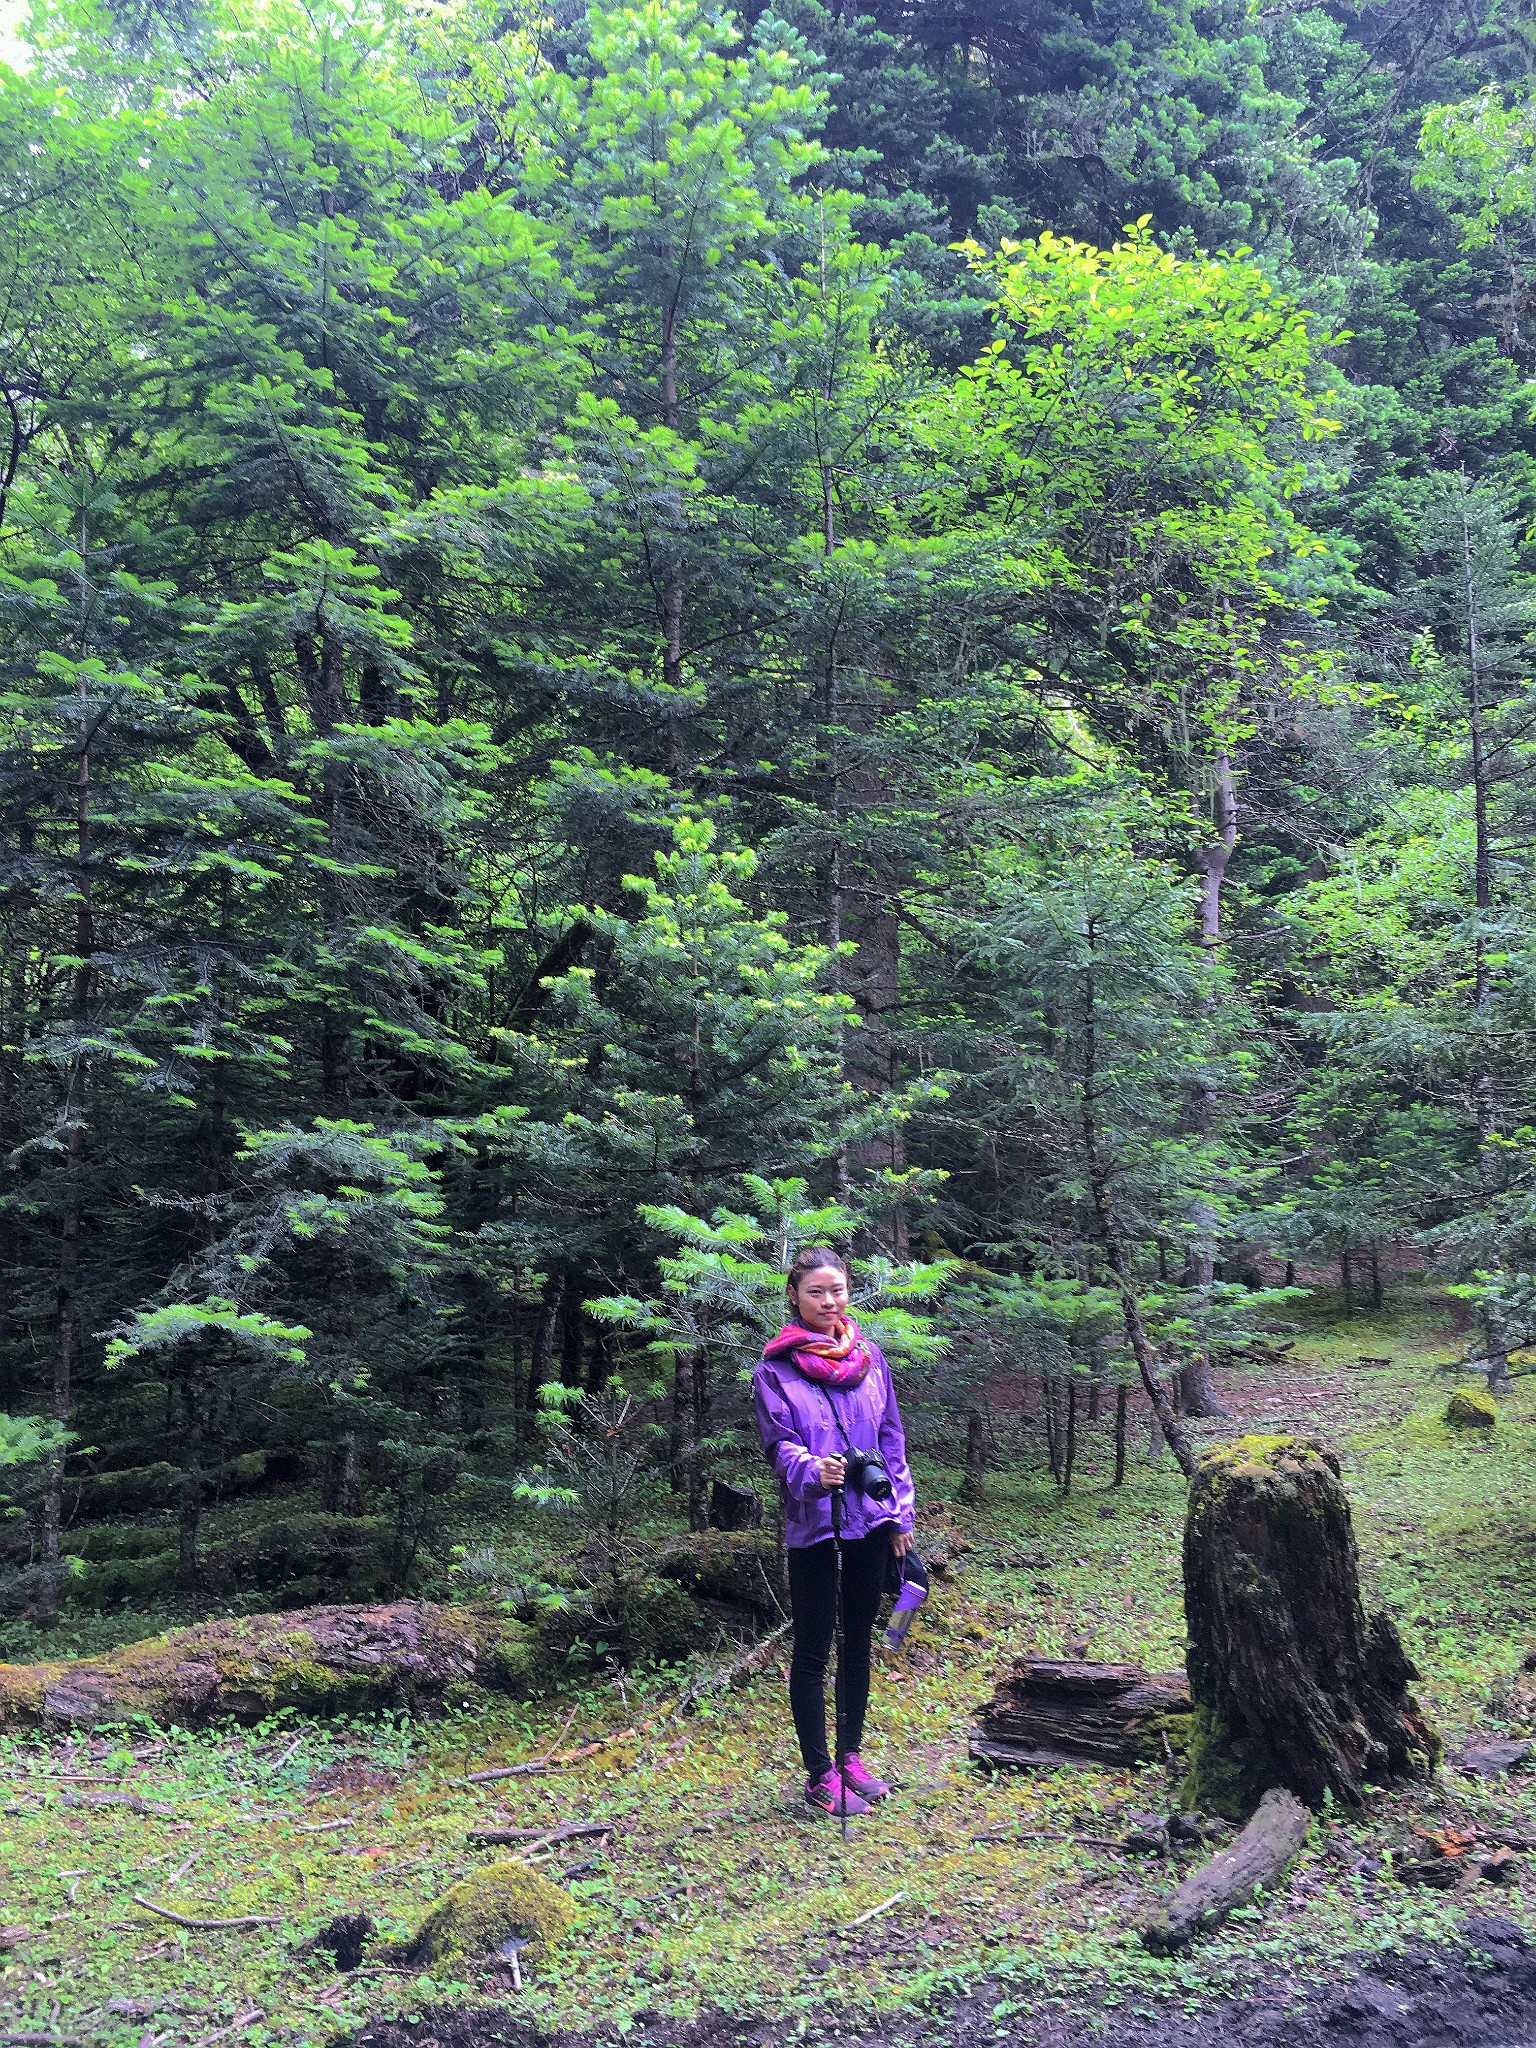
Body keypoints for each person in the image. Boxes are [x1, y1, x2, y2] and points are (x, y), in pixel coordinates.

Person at [751, 1247, 917, 1817]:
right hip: (815, 1526)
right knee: (814, 1648)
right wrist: (812, 1472)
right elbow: (779, 1446)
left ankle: (850, 1758)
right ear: (795, 1296)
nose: (829, 1301)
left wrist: (899, 1516)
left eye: (838, 1290)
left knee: (857, 1643)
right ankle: (819, 1773)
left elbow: (891, 1441)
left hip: (870, 1523)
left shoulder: (870, 1361)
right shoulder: (775, 1370)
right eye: (816, 1292)